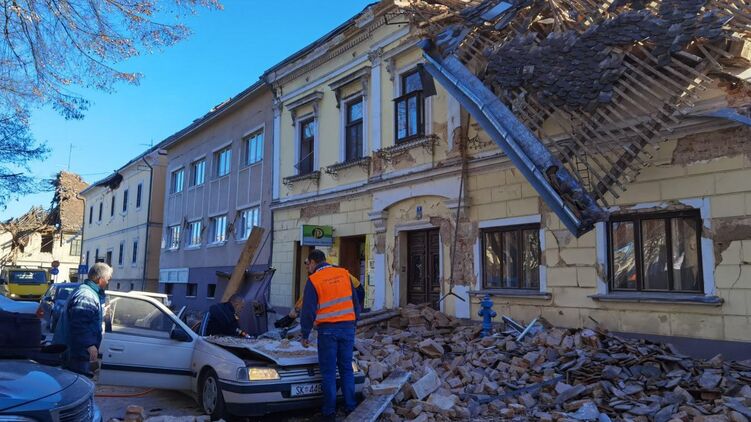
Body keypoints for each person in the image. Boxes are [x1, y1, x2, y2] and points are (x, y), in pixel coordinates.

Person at [300, 250, 360, 421]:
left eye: (307, 264)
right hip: (347, 328)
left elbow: (308, 310)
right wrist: (354, 322)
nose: (308, 268)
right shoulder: (343, 273)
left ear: (313, 262)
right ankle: (350, 407)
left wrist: (305, 334)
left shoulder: (314, 280)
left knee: (328, 372)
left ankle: (329, 412)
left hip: (328, 330)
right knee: (346, 368)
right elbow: (355, 301)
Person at [53, 262, 111, 377]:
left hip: (76, 351)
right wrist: (89, 345)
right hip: (75, 353)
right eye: (108, 279)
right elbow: (79, 323)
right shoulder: (86, 295)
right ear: (101, 280)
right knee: (75, 389)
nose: (108, 282)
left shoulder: (88, 292)